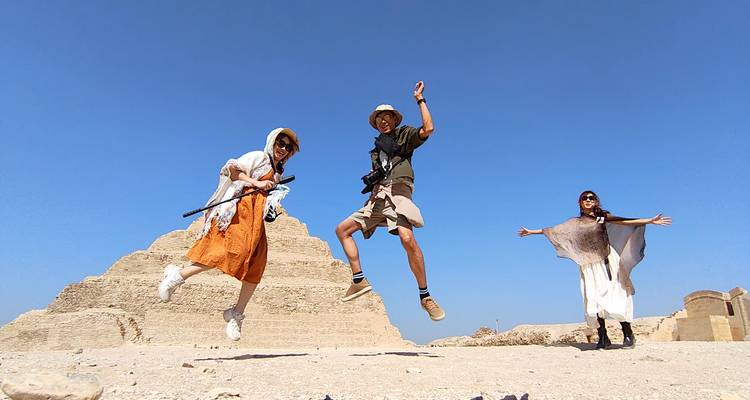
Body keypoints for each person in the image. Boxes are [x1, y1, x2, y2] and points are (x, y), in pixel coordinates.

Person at [157, 128, 300, 341]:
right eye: (280, 143)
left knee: (256, 265)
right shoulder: (258, 157)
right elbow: (233, 170)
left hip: (255, 219)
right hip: (239, 212)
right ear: (272, 142)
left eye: (288, 147)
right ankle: (178, 276)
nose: (283, 149)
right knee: (227, 251)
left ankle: (236, 313)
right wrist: (257, 183)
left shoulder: (277, 172)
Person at [335, 81, 445, 321]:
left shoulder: (404, 136)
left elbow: (429, 128)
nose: (383, 121)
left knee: (408, 239)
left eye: (387, 117)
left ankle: (425, 296)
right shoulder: (375, 151)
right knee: (342, 230)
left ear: (395, 120)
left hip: (398, 194)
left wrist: (420, 99)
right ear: (375, 124)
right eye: (378, 119)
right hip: (378, 197)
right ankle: (358, 280)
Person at [518, 190, 671, 349]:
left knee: (616, 294)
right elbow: (555, 230)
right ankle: (603, 337)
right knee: (594, 299)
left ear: (596, 201)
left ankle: (628, 334)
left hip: (607, 261)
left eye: (591, 198)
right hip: (588, 265)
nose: (588, 200)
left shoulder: (602, 217)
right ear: (580, 203)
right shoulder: (575, 223)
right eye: (585, 198)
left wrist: (651, 221)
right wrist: (531, 232)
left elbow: (625, 221)